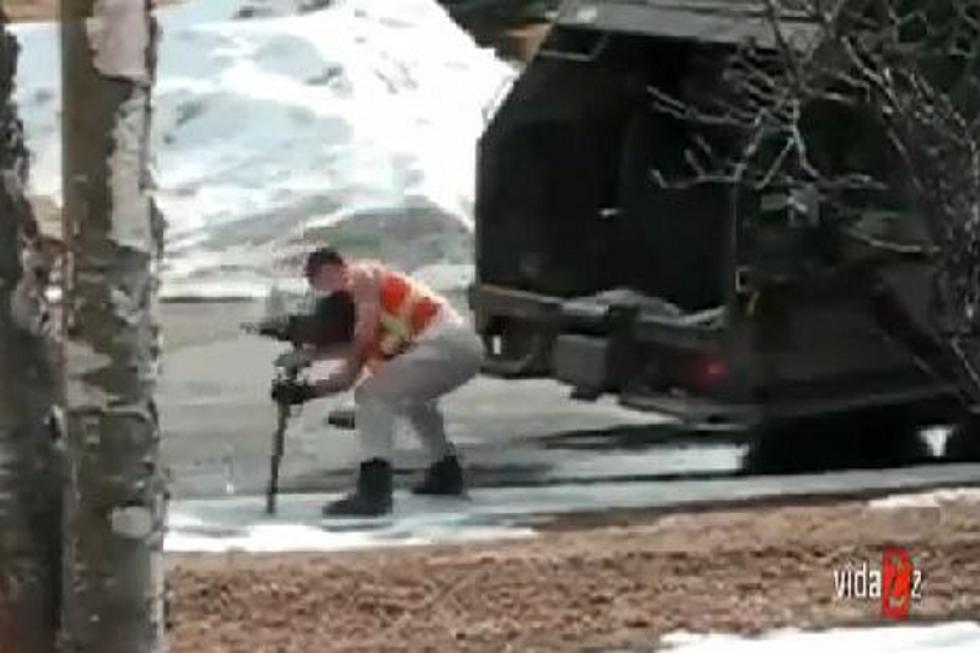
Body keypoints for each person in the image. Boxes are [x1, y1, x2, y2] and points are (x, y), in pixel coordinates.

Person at [271, 246, 484, 516]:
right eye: (316, 282)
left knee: (372, 395)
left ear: (340, 267)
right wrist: (304, 392)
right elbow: (345, 379)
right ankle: (446, 471)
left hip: (450, 342)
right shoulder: (369, 332)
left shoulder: (363, 275)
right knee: (412, 402)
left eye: (324, 276)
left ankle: (375, 491)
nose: (326, 286)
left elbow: (364, 333)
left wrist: (310, 355)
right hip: (453, 350)